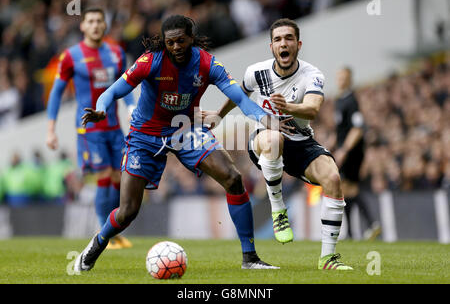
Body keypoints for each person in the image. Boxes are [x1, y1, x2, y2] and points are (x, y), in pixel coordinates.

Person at [74, 15, 287, 272]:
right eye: (170, 42)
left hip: (184, 130)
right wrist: (101, 109)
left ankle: (250, 258)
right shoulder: (150, 62)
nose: (176, 47)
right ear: (164, 43)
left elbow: (240, 99)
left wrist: (266, 120)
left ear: (191, 39)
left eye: (181, 41)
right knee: (128, 210)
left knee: (233, 178)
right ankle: (97, 244)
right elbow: (113, 91)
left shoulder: (207, 64)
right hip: (145, 135)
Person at [206, 18, 353, 270]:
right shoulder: (257, 72)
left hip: (301, 140)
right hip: (264, 139)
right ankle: (278, 210)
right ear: (271, 47)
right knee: (274, 139)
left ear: (298, 44)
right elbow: (239, 95)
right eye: (277, 39)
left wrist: (289, 107)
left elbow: (313, 109)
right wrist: (219, 116)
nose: (283, 43)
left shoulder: (312, 74)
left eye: (288, 38)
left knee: (333, 178)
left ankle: (328, 258)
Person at [46, 7, 135, 249]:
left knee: (120, 177)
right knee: (104, 176)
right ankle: (103, 234)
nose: (95, 25)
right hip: (89, 130)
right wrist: (50, 129)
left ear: (104, 26)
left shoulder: (117, 53)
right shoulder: (71, 56)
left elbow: (125, 87)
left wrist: (130, 108)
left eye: (99, 21)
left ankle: (112, 231)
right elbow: (56, 93)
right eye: (91, 21)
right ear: (83, 26)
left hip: (114, 128)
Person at [334, 67, 381, 240]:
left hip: (352, 151)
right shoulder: (340, 101)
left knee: (349, 188)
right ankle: (353, 231)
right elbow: (342, 129)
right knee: (345, 189)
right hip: (345, 149)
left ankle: (370, 224)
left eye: (344, 77)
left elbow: (357, 129)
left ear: (349, 79)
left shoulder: (351, 100)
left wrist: (344, 150)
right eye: (339, 76)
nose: (340, 79)